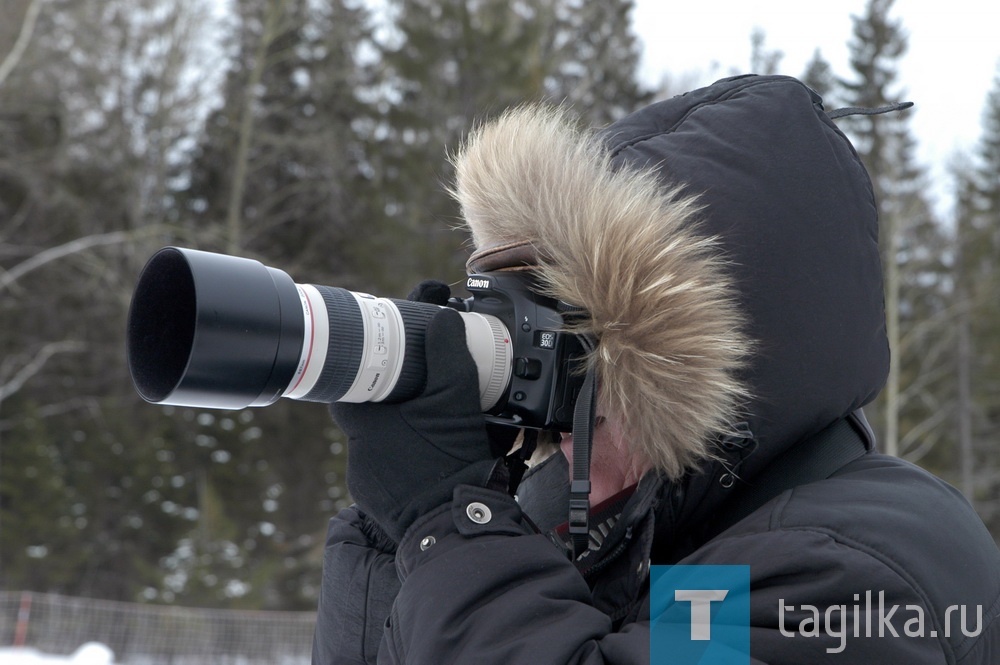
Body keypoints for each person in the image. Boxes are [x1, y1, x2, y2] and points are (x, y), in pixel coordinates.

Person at [312, 74, 1000, 664]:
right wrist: (396, 530)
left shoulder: (850, 570)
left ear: (692, 377)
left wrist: (445, 526)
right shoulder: (650, 531)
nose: (560, 424)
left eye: (587, 368)